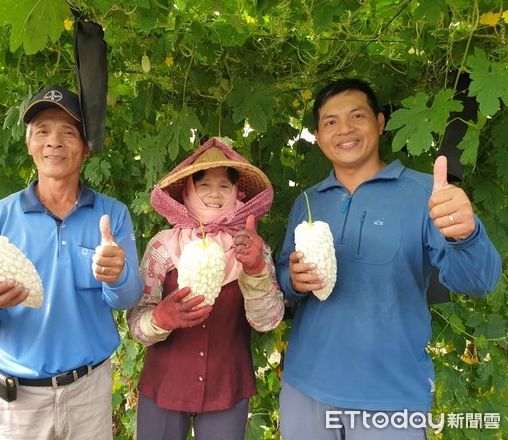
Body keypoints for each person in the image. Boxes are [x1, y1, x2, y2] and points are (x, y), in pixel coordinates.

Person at [276, 78, 502, 439]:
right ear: (318, 137)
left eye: (356, 116)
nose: (344, 129)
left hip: (391, 396)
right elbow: (283, 271)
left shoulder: (426, 194)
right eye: (330, 122)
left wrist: (466, 234)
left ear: (380, 123)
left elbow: (478, 282)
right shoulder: (307, 201)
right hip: (305, 389)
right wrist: (292, 279)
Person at [0, 85, 143, 439]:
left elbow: (128, 299)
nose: (54, 142)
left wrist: (117, 275)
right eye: (42, 131)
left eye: (68, 132)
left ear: (86, 148)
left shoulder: (112, 215)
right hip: (16, 401)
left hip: (88, 391)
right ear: (29, 145)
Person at [127, 138, 285, 440]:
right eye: (204, 185)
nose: (215, 194)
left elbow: (267, 322)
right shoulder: (162, 246)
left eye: (224, 186)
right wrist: (161, 318)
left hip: (227, 388)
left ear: (236, 192)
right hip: (163, 386)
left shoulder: (252, 247)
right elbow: (137, 326)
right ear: (188, 189)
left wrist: (254, 270)